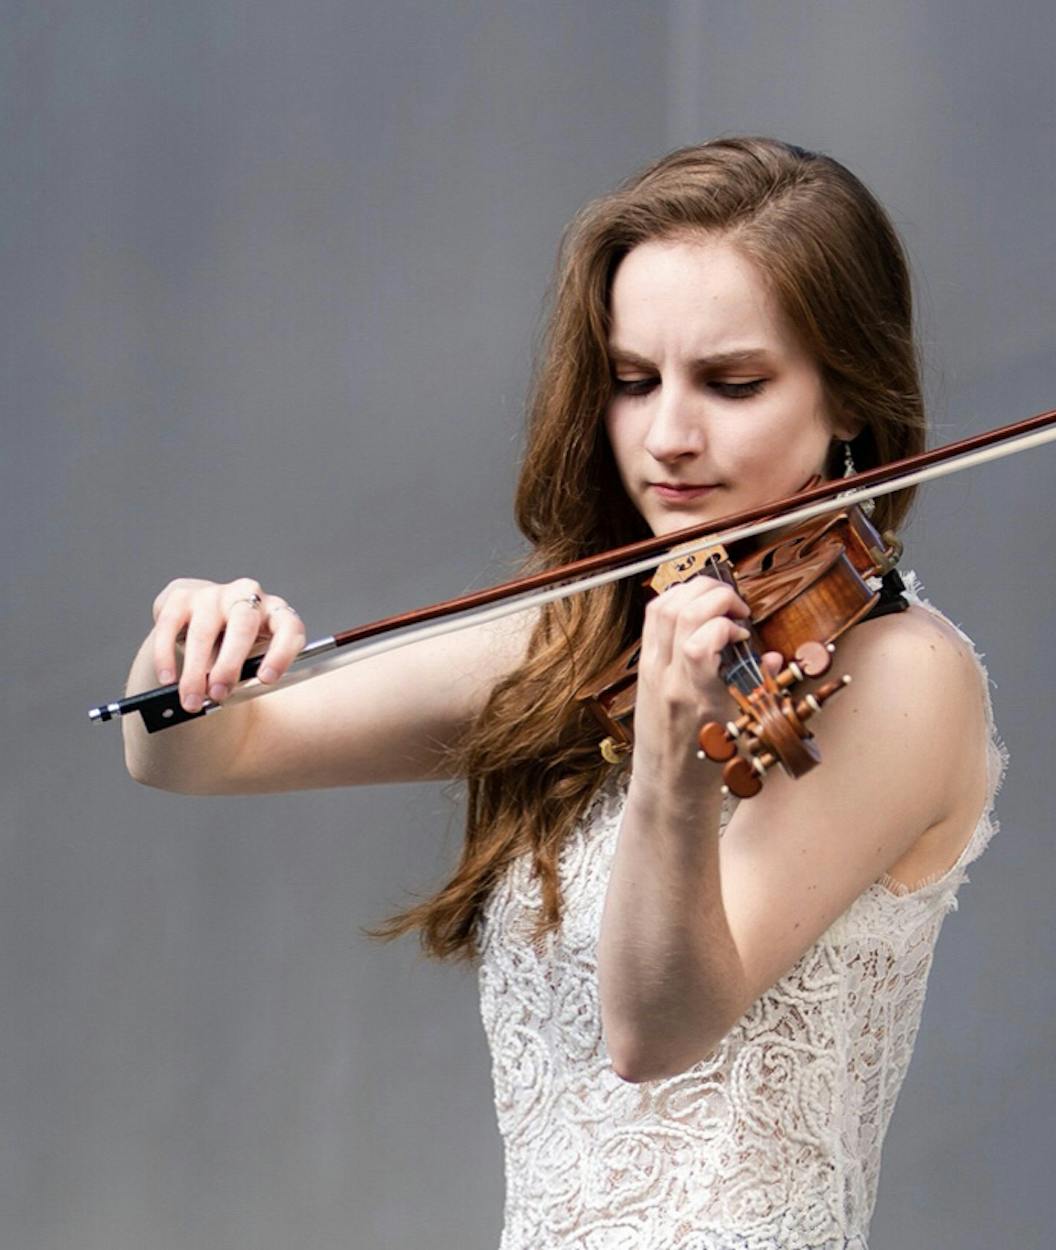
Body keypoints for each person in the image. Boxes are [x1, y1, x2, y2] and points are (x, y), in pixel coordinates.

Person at [123, 137, 1006, 1249]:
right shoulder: (590, 633)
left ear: (848, 402)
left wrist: (671, 765)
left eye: (731, 383)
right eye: (634, 381)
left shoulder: (903, 677)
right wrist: (188, 650)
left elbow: (656, 1026)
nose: (668, 437)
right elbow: (200, 754)